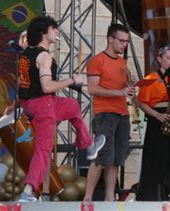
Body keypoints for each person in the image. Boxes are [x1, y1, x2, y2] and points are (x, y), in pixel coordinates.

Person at [14, 16, 105, 202]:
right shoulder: (44, 56)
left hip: (30, 103)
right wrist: (71, 81)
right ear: (42, 33)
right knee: (43, 150)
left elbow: (21, 83)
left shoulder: (25, 55)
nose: (56, 32)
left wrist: (14, 105)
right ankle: (28, 191)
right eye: (53, 29)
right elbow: (47, 87)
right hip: (42, 104)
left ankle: (87, 146)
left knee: (72, 106)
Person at [83, 23, 136, 202]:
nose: (124, 45)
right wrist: (119, 92)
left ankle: (109, 199)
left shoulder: (122, 62)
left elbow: (123, 86)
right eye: (121, 41)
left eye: (126, 41)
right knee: (101, 156)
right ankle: (87, 198)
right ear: (110, 39)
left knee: (116, 159)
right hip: (105, 114)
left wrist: (131, 87)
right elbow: (92, 88)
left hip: (122, 113)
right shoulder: (97, 60)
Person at [137, 44, 170, 201]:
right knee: (156, 159)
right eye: (168, 58)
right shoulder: (150, 79)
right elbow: (142, 103)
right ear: (159, 59)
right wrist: (156, 115)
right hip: (157, 119)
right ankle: (152, 195)